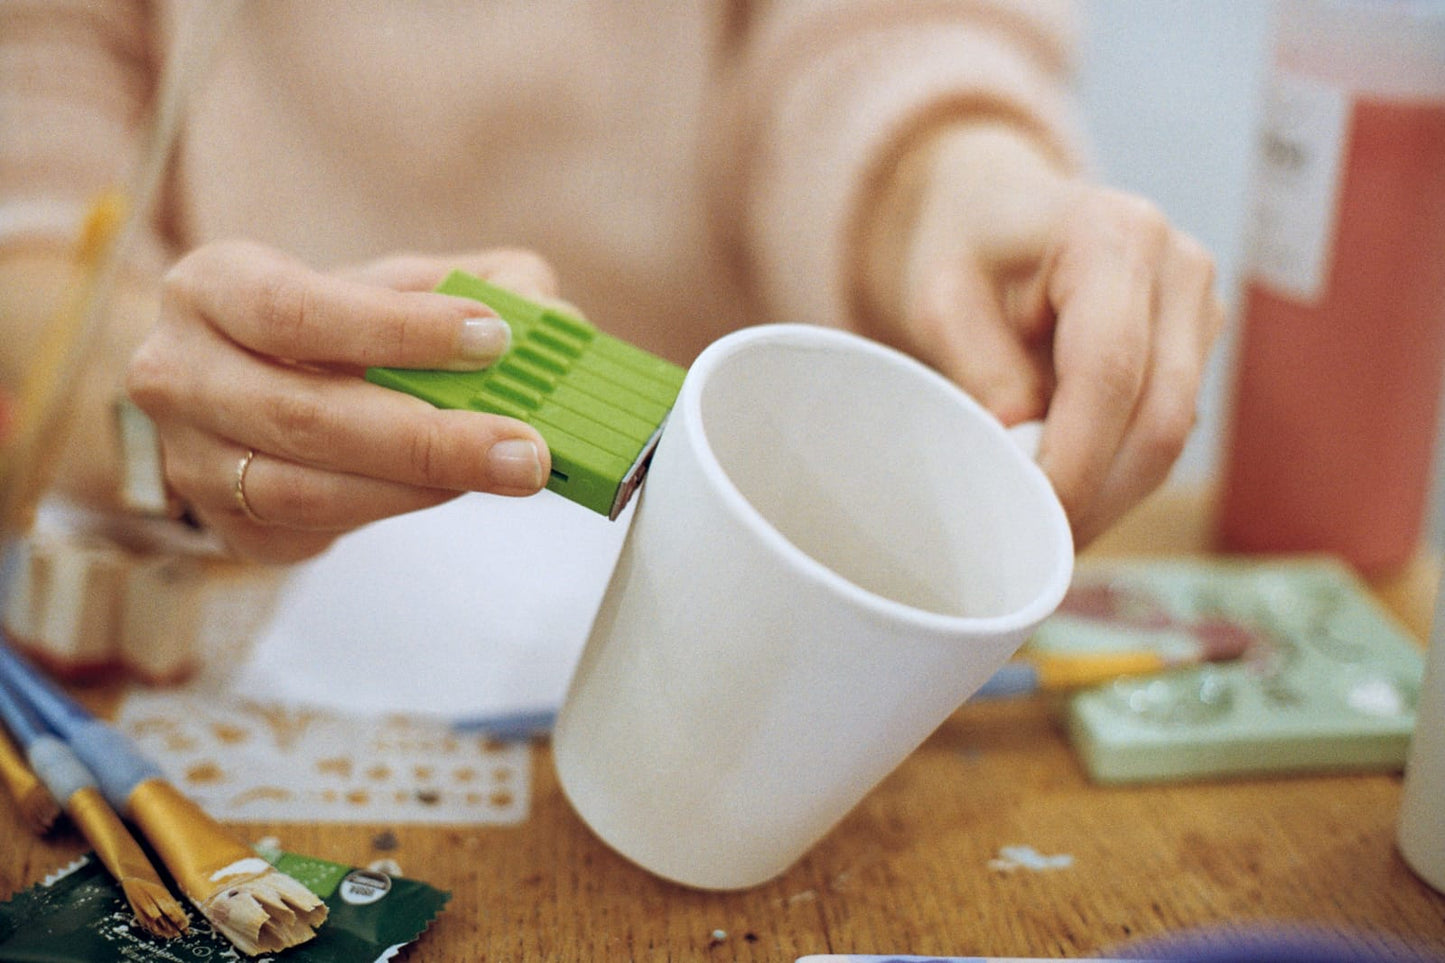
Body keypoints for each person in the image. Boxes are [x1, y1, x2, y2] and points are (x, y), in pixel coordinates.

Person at [0, 0, 1222, 565]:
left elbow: (877, 37)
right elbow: (33, 203)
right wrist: (166, 404)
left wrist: (959, 181)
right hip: (225, 601)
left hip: (715, 556)